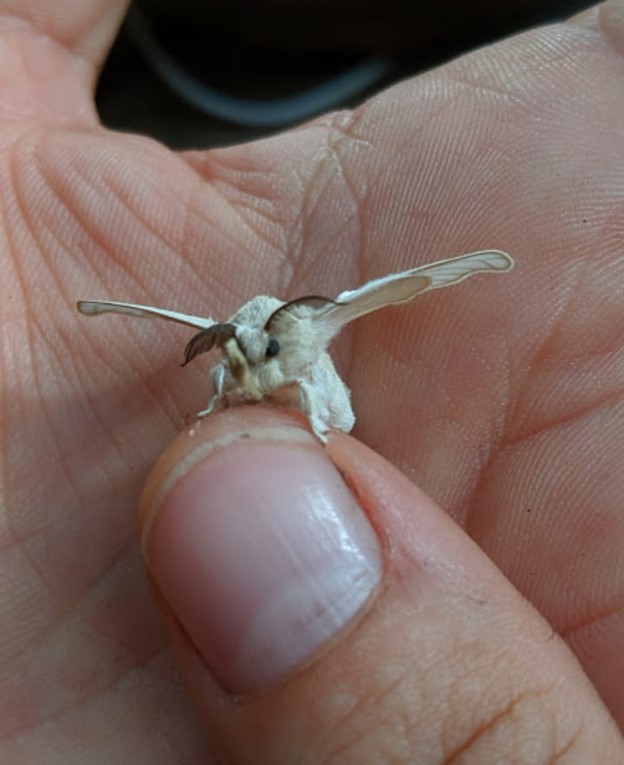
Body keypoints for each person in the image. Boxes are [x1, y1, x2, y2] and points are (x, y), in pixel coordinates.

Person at [1, 1, 623, 762]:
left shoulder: (303, 338)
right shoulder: (240, 350)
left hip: (330, 410)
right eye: (240, 358)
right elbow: (226, 366)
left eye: (251, 358)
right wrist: (221, 381)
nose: (245, 370)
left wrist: (319, 425)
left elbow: (381, 304)